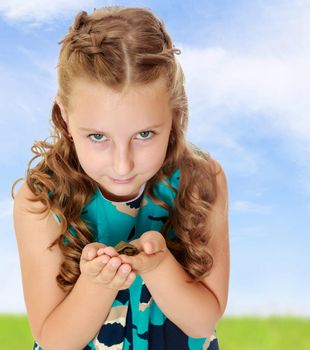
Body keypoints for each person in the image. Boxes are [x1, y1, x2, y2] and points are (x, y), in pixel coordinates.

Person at [11, 6, 229, 350]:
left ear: (174, 114)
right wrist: (98, 284)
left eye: (144, 134)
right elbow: (53, 341)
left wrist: (159, 268)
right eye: (97, 137)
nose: (123, 165)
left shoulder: (201, 182)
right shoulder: (41, 200)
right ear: (65, 118)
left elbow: (203, 320)